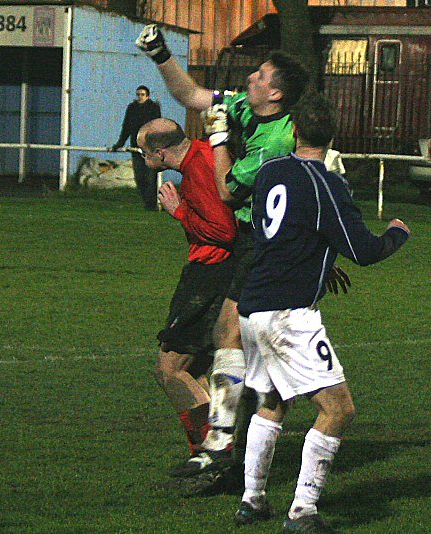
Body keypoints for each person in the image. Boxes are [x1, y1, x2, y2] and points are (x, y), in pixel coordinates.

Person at [136, 24, 312, 479]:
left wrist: (216, 144)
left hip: (271, 243)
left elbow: (229, 194)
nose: (250, 78)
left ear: (274, 94)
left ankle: (224, 445)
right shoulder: (248, 112)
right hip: (263, 239)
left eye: (259, 75)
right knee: (229, 339)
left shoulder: (275, 142)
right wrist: (161, 55)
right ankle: (225, 444)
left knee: (248, 348)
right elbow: (192, 95)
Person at [231, 93, 410, 533]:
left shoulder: (272, 171)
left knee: (273, 401)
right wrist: (396, 234)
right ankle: (303, 511)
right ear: (332, 138)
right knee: (338, 408)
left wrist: (320, 263)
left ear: (294, 130)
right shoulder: (326, 183)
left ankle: (252, 500)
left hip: (252, 306)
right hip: (289, 314)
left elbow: (278, 232)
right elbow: (364, 251)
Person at [136, 118, 237, 462]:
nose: (141, 155)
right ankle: (218, 449)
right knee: (193, 371)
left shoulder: (197, 169)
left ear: (160, 153)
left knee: (170, 369)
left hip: (209, 276)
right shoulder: (211, 155)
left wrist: (178, 211)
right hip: (223, 275)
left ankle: (214, 452)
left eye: (143, 150)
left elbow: (223, 232)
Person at [111, 85, 162, 210]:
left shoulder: (153, 108)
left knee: (150, 178)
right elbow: (126, 127)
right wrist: (120, 144)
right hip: (136, 148)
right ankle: (148, 203)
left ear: (147, 96)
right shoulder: (132, 108)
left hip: (150, 149)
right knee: (139, 178)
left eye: (142, 95)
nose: (139, 97)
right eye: (138, 94)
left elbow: (157, 127)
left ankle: (153, 204)